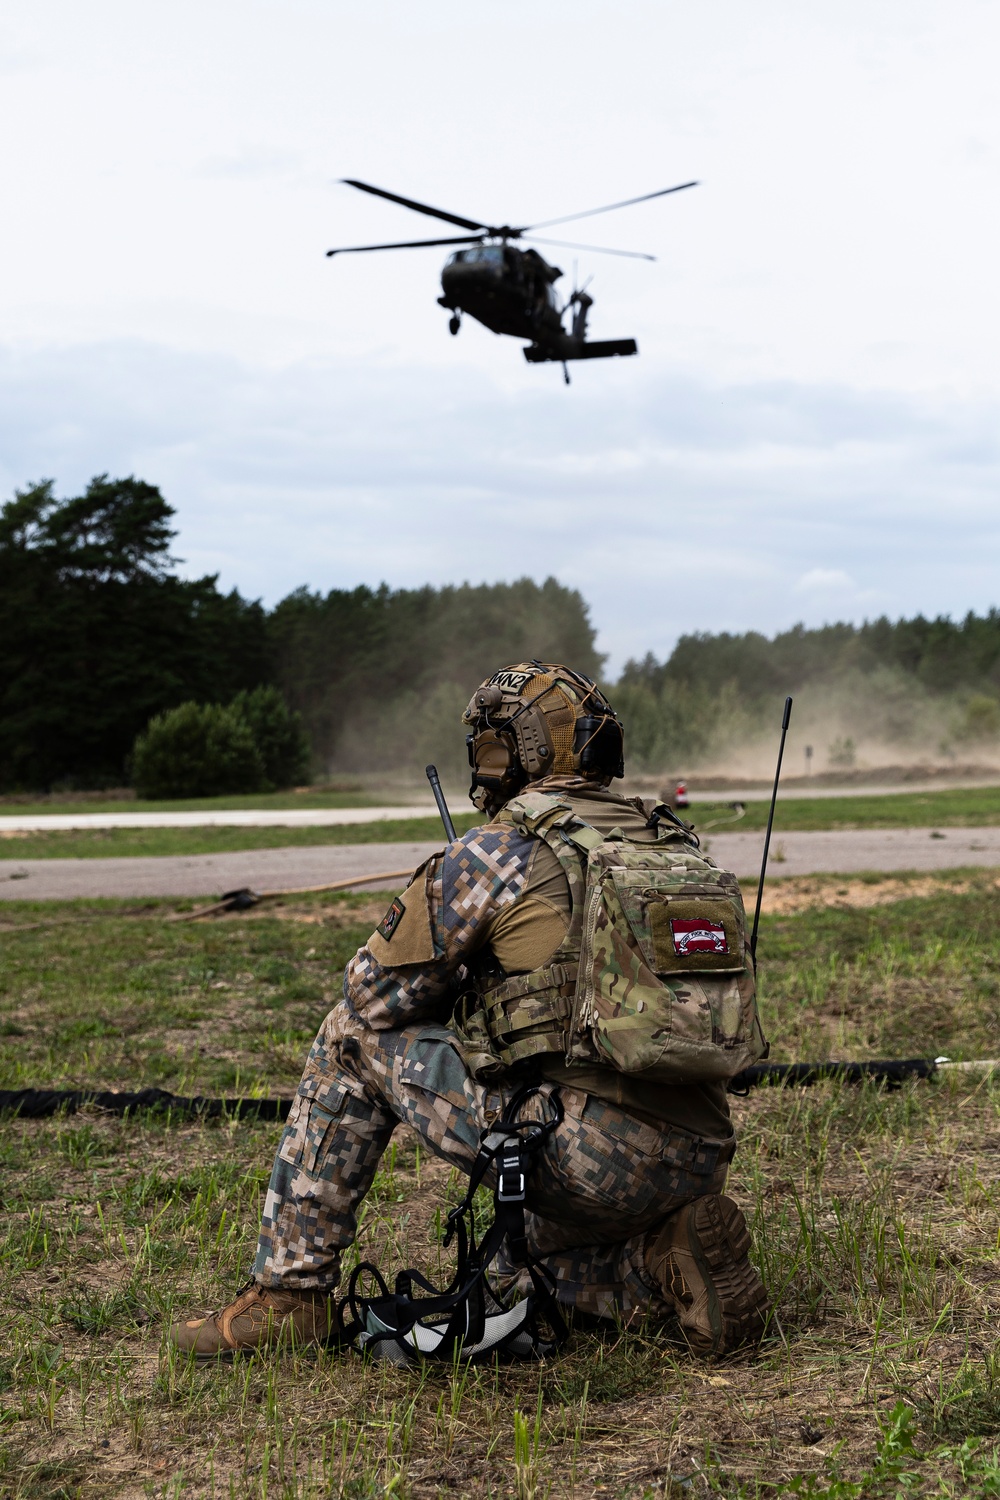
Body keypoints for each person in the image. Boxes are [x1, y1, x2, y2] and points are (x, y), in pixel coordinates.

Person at [169, 663, 769, 1359]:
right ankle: (664, 1259)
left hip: (587, 1155)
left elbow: (371, 995)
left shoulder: (497, 850)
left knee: (349, 1037)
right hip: (700, 1152)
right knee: (513, 1277)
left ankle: (289, 1295)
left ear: (512, 752)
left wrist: (464, 987)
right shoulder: (673, 842)